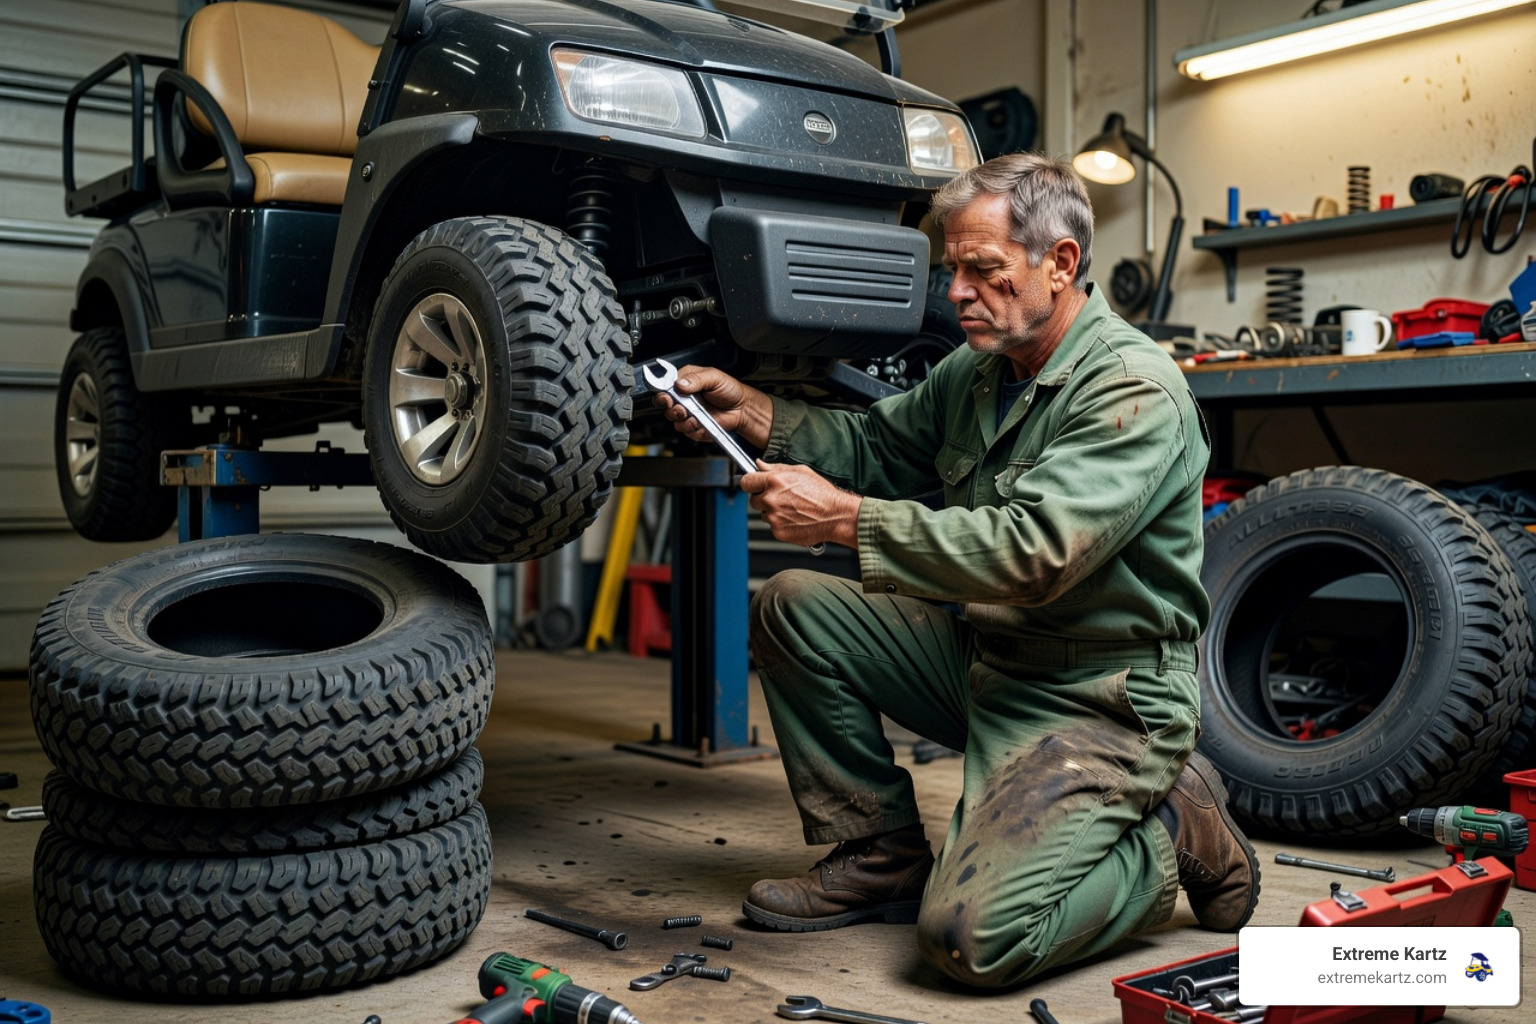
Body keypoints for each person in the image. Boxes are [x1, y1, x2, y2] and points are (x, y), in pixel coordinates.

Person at [657, 152, 1259, 988]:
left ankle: (1170, 835)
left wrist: (840, 518)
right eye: (953, 271)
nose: (956, 294)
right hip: (988, 659)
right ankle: (882, 855)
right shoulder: (977, 374)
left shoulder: (1131, 390)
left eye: (983, 270)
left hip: (1100, 699)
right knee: (796, 605)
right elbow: (876, 447)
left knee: (970, 943)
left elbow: (1033, 551)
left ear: (1061, 264)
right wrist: (756, 414)